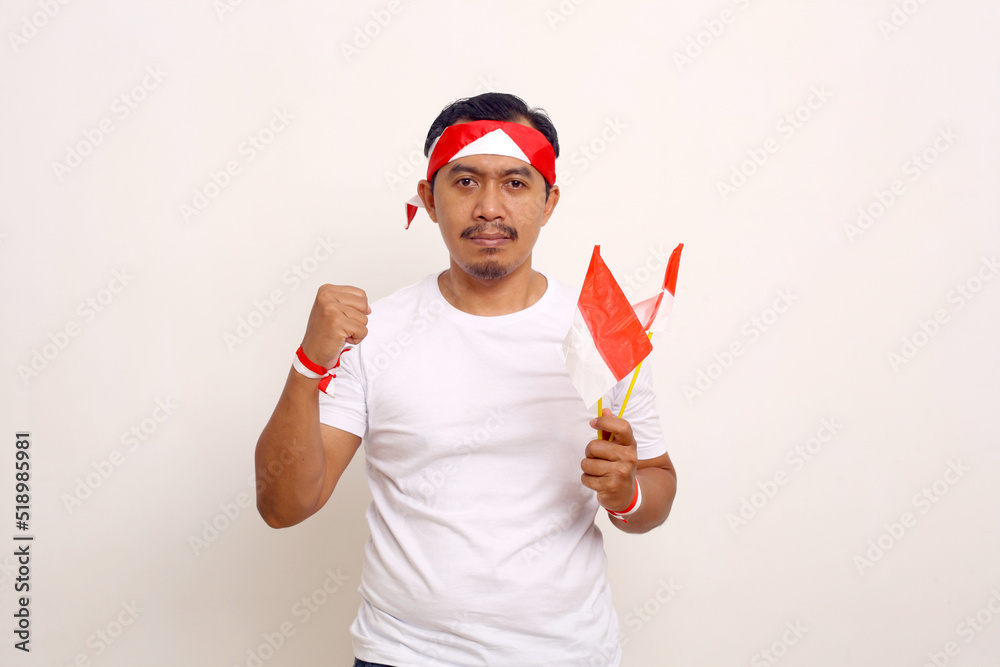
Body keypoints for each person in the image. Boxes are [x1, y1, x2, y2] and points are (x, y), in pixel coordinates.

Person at [254, 92, 677, 667]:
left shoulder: (601, 332)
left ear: (549, 202)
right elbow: (284, 505)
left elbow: (655, 485)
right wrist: (309, 363)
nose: (489, 208)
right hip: (402, 656)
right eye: (465, 181)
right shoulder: (372, 334)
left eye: (516, 183)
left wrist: (627, 495)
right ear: (429, 198)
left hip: (567, 654)